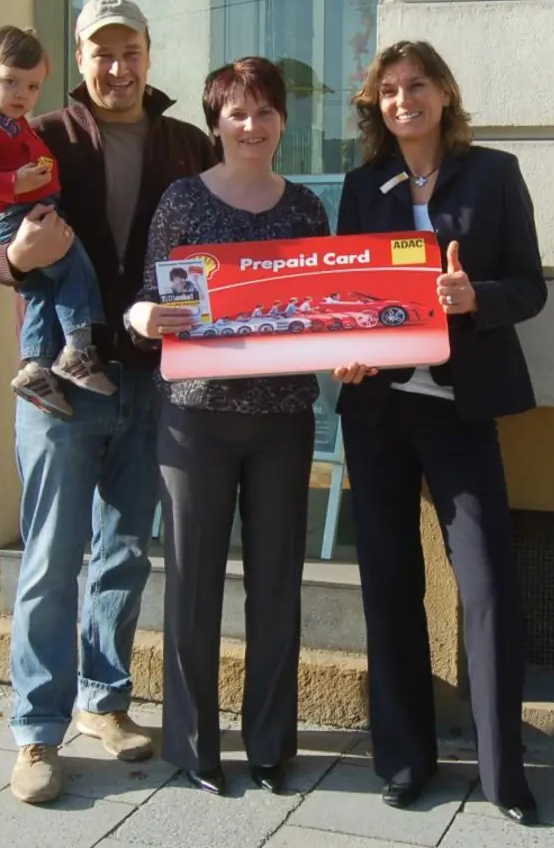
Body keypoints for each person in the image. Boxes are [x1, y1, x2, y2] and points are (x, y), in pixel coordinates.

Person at [0, 0, 217, 804]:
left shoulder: (188, 144)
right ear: (79, 61)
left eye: (129, 51)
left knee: (124, 552)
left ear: (149, 53)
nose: (117, 67)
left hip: (152, 379)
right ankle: (36, 732)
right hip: (58, 388)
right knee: (48, 558)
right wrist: (14, 258)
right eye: (101, 53)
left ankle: (103, 700)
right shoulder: (39, 133)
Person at [329, 40, 546, 825]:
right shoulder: (363, 185)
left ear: (444, 94)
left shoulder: (494, 174)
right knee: (390, 587)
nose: (403, 100)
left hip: (462, 410)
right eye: (388, 91)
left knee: (488, 588)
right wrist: (346, 349)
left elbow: (530, 287)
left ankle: (503, 774)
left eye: (416, 85)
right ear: (376, 107)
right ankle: (404, 759)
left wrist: (473, 298)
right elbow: (347, 294)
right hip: (378, 411)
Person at [125, 56, 327, 797]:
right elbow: (149, 298)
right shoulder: (182, 200)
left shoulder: (305, 208)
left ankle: (270, 745)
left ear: (284, 121)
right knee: (192, 582)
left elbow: (322, 308)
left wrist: (351, 346)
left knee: (276, 587)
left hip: (283, 422)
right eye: (237, 112)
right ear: (215, 123)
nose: (251, 124)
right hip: (194, 420)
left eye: (265, 110)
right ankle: (193, 745)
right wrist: (141, 317)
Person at [0, 25, 112, 420]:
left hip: (31, 209)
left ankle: (36, 367)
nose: (22, 95)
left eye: (32, 87)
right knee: (74, 269)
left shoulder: (13, 123)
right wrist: (13, 183)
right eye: (10, 82)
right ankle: (77, 349)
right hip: (17, 215)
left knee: (43, 290)